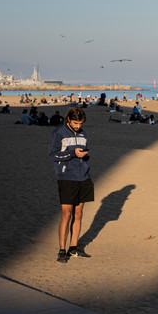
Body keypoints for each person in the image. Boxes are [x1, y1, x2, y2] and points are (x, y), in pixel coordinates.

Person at [48, 107, 93, 263]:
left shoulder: (83, 133)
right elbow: (53, 155)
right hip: (66, 177)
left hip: (83, 177)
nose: (78, 126)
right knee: (66, 214)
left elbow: (85, 153)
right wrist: (73, 153)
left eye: (80, 123)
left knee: (79, 214)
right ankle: (62, 250)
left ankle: (73, 248)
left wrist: (84, 156)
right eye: (75, 123)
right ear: (68, 120)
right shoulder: (58, 133)